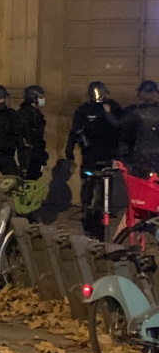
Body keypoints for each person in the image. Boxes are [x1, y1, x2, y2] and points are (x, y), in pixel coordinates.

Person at [66, 80, 122, 239]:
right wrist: (70, 150)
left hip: (107, 154)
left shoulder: (113, 107)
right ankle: (88, 215)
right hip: (90, 155)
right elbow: (75, 130)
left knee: (104, 189)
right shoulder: (85, 109)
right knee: (88, 186)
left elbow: (120, 129)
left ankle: (100, 215)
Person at [118, 80, 159, 178]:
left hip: (140, 156)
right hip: (156, 155)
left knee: (140, 185)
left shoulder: (132, 112)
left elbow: (125, 135)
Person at [18, 85, 48, 180]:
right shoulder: (26, 114)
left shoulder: (35, 114)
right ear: (33, 98)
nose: (43, 99)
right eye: (40, 97)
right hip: (28, 155)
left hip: (35, 153)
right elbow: (28, 136)